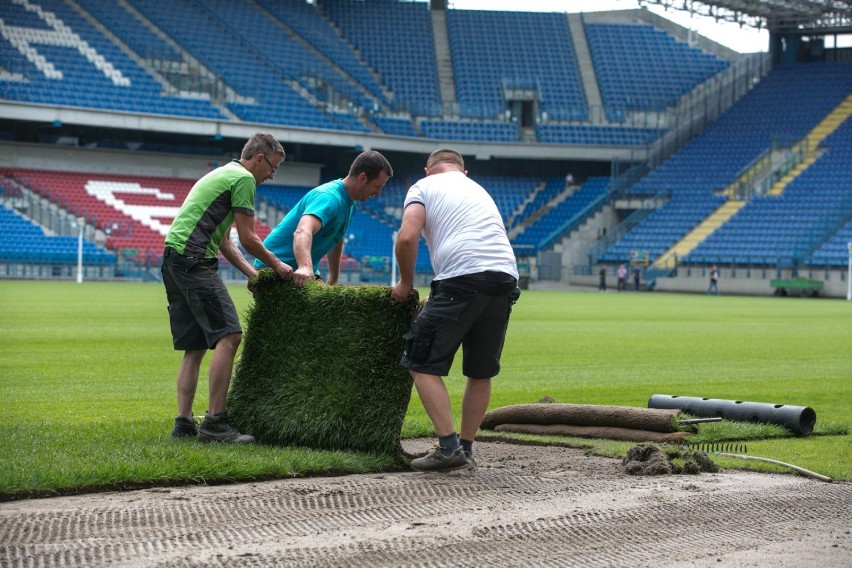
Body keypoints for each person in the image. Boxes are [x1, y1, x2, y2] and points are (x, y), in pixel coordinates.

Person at [391, 148, 520, 472]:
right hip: (505, 278)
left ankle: (448, 448)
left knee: (420, 362)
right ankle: (466, 447)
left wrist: (405, 284)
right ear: (463, 171)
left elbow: (407, 237)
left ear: (427, 170)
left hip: (462, 277)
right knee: (480, 371)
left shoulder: (423, 187)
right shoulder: (477, 189)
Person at [162, 132, 294, 443]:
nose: (272, 175)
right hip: (195, 260)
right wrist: (277, 265)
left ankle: (183, 424)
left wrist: (252, 273)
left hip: (174, 259)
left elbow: (222, 240)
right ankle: (215, 425)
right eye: (272, 168)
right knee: (230, 335)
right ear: (258, 159)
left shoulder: (222, 173)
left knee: (194, 348)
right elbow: (248, 238)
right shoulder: (244, 179)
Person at [256, 150, 393, 285]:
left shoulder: (351, 204)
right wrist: (305, 267)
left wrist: (333, 277)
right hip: (274, 268)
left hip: (301, 271)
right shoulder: (329, 198)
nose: (378, 193)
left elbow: (336, 238)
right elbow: (302, 231)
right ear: (362, 178)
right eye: (377, 186)